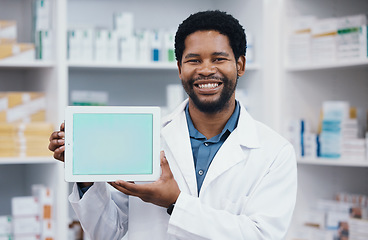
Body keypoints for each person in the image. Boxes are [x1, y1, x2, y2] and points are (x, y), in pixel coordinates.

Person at [49, 10, 297, 240]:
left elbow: (261, 235)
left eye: (219, 58)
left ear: (240, 65)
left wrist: (176, 203)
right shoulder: (148, 137)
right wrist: (84, 174)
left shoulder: (274, 152)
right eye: (194, 60)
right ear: (179, 68)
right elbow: (108, 232)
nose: (206, 70)